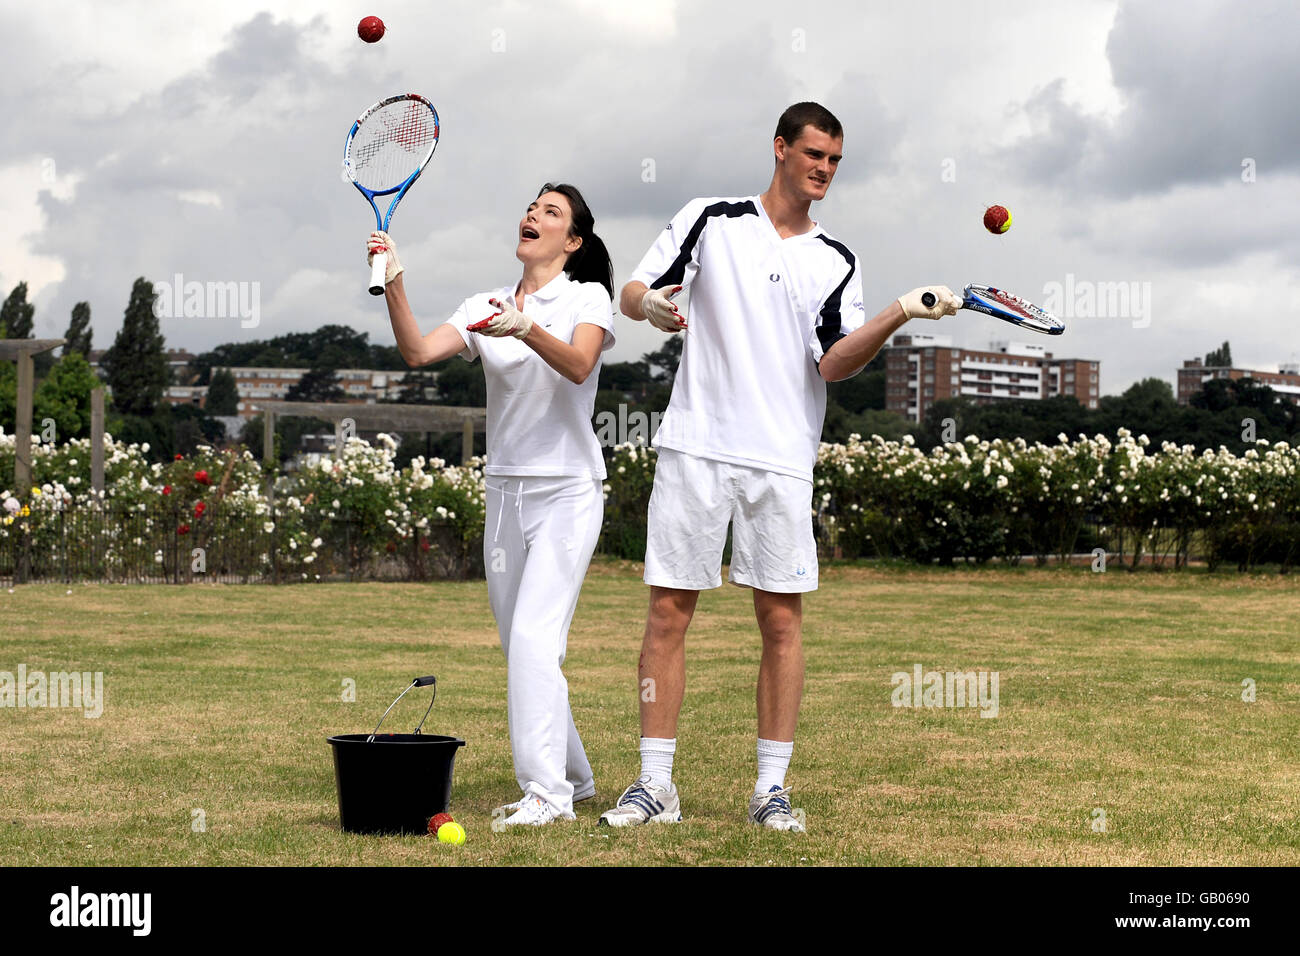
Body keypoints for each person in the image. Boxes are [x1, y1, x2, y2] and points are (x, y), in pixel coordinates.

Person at [598, 102, 961, 831]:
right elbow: (632, 292)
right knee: (668, 615)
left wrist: (898, 311)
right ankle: (654, 786)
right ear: (781, 149)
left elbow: (832, 363)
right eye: (813, 154)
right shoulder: (712, 218)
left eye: (834, 160)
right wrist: (654, 310)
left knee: (781, 624)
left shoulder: (837, 260)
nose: (824, 169)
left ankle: (770, 791)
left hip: (781, 460)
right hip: (697, 445)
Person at [368, 182, 616, 826]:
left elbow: (581, 365)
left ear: (573, 241)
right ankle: (578, 777)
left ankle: (546, 794)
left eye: (552, 212)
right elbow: (418, 351)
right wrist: (395, 281)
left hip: (567, 490)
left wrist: (527, 327)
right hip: (505, 493)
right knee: (521, 647)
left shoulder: (587, 297)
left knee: (536, 641)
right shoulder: (485, 303)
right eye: (534, 206)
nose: (535, 215)